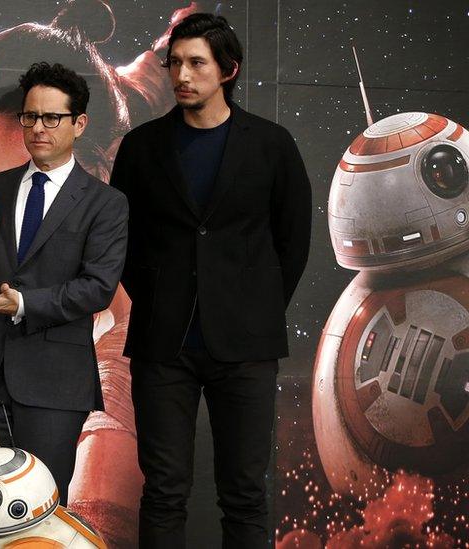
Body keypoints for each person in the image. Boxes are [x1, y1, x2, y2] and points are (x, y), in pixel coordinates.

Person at [109, 13, 312, 548]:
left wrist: (253, 306)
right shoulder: (141, 147)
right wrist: (155, 298)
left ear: (228, 70)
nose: (182, 74)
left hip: (245, 347)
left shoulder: (271, 145)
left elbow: (293, 242)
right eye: (174, 62)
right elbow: (123, 240)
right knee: (163, 491)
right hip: (162, 343)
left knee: (245, 494)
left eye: (196, 62)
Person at [0, 61, 128, 539]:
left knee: (38, 520)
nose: (38, 128)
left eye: (51, 118)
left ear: (78, 124)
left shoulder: (105, 203)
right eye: (30, 117)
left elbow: (97, 288)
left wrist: (22, 303)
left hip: (55, 379)